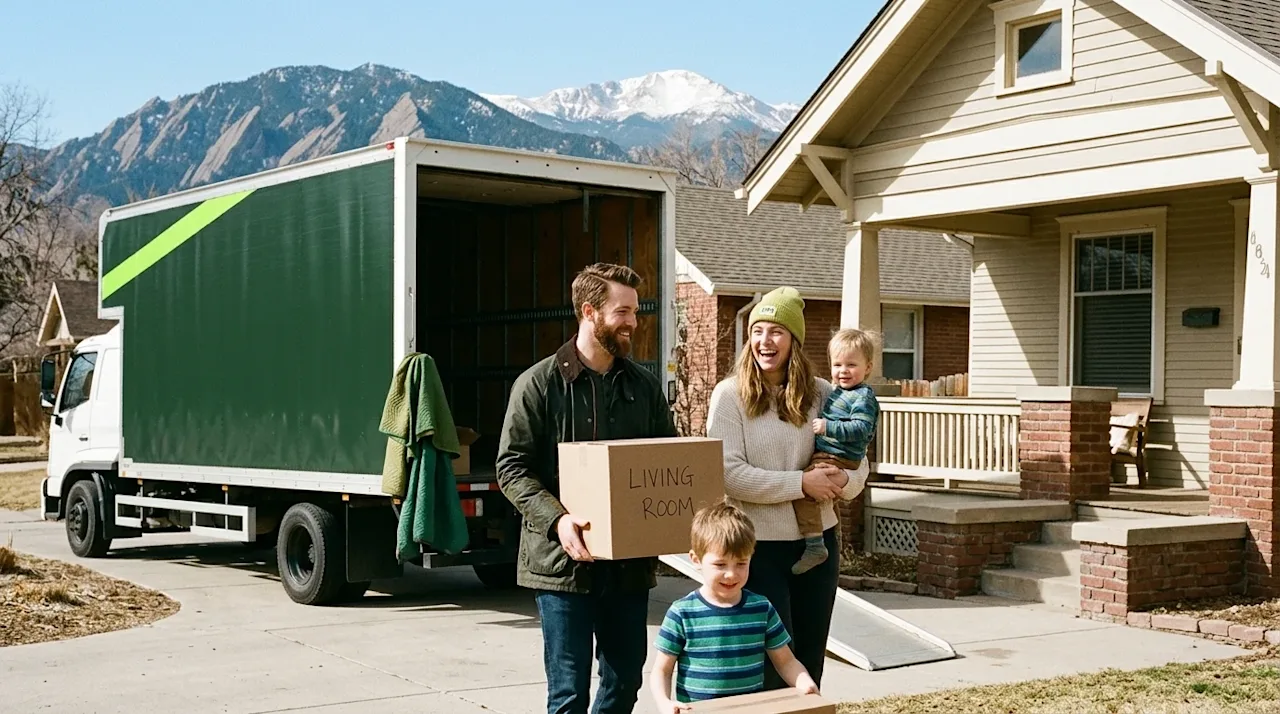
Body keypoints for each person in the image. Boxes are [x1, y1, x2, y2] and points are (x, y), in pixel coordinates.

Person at [496, 262, 678, 714]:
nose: (633, 322)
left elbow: (670, 463)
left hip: (628, 569)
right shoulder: (537, 385)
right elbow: (511, 468)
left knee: (624, 683)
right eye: (623, 312)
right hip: (562, 568)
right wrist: (557, 520)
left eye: (635, 312)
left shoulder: (644, 387)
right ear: (589, 311)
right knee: (568, 694)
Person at [705, 286, 868, 690]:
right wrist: (801, 483)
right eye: (758, 330)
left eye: (776, 331)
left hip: (819, 545)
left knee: (810, 659)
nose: (765, 341)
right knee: (768, 664)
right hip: (756, 549)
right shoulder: (729, 396)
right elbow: (728, 475)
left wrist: (844, 482)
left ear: (794, 339)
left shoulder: (823, 394)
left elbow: (859, 459)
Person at [649, 503, 819, 712]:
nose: (731, 574)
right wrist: (665, 703)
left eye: (741, 563)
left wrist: (803, 682)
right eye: (720, 565)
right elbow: (662, 670)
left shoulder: (761, 608)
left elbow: (786, 661)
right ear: (696, 559)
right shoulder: (682, 613)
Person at [792, 328, 881, 575]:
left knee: (805, 492)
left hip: (839, 457)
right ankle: (834, 544)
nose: (843, 371)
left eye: (851, 364)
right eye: (837, 364)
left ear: (868, 367)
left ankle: (814, 545)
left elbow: (861, 429)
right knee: (826, 501)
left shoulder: (862, 397)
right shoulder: (841, 392)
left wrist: (827, 427)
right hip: (831, 455)